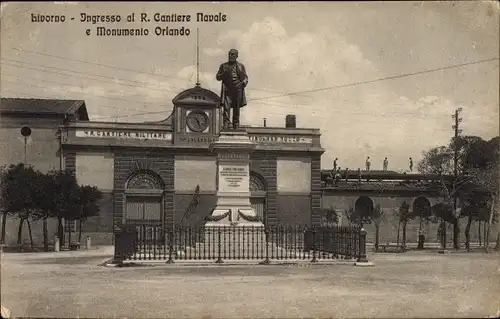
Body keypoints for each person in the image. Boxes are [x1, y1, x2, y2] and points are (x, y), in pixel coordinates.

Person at [216, 49, 249, 130]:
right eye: (230, 54)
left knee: (236, 108)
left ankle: (236, 124)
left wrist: (242, 83)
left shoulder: (241, 66)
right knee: (226, 108)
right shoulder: (223, 66)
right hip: (227, 90)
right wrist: (224, 73)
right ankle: (226, 124)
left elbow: (245, 77)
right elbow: (218, 77)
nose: (231, 56)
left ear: (237, 56)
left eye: (233, 54)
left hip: (237, 89)